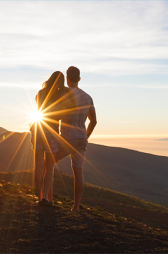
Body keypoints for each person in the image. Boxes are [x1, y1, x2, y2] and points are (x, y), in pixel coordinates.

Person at [53, 66, 97, 212]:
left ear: (67, 78)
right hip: (81, 139)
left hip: (66, 138)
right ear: (79, 79)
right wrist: (86, 136)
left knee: (48, 162)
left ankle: (47, 198)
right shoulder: (88, 97)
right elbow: (93, 121)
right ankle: (76, 207)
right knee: (78, 172)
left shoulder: (64, 94)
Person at [32, 71, 73, 206]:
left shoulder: (40, 93)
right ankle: (46, 200)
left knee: (38, 166)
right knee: (49, 168)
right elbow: (68, 110)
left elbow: (39, 109)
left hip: (38, 129)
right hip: (51, 132)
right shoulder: (61, 96)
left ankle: (39, 197)